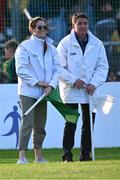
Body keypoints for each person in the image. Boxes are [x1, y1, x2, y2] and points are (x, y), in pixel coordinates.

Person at [57, 12, 109, 162]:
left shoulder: (97, 43)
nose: (83, 26)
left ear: (88, 24)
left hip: (90, 91)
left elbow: (102, 66)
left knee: (88, 124)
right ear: (73, 25)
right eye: (79, 23)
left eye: (85, 23)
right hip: (70, 90)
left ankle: (85, 155)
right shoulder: (65, 43)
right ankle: (67, 156)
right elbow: (59, 68)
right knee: (71, 122)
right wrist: (73, 80)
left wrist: (94, 82)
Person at [15, 16, 60, 164]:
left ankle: (38, 157)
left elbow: (57, 69)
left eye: (44, 27)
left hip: (45, 92)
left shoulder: (52, 48)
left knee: (40, 125)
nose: (42, 30)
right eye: (39, 27)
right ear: (32, 29)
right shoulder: (24, 47)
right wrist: (38, 83)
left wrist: (51, 86)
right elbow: (20, 69)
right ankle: (22, 156)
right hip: (28, 91)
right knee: (27, 123)